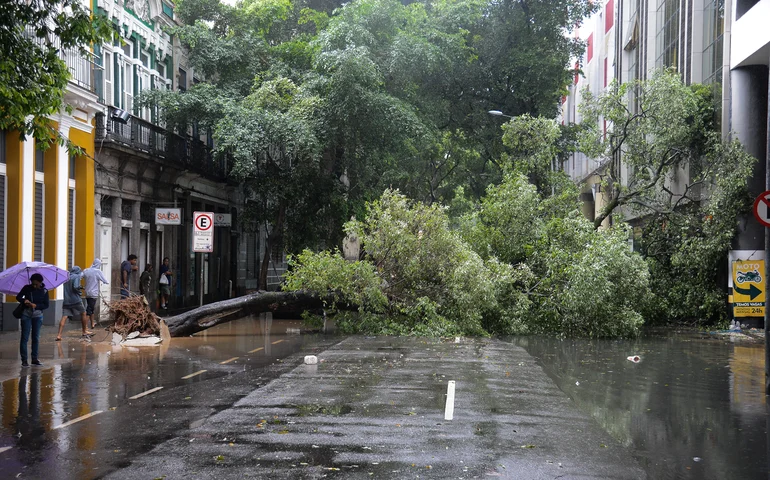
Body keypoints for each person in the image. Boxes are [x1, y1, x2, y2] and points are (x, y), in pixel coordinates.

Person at [17, 273, 49, 367]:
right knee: (24, 337)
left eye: (36, 284)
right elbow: (19, 296)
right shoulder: (27, 288)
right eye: (33, 283)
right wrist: (24, 300)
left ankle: (34, 359)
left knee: (35, 337)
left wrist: (37, 306)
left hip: (38, 316)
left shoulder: (44, 291)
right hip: (26, 314)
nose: (34, 286)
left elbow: (46, 305)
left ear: (40, 282)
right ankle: (24, 360)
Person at [57, 266, 92, 341]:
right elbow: (76, 286)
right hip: (75, 300)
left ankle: (59, 335)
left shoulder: (66, 278)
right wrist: (80, 290)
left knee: (64, 316)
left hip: (66, 300)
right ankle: (84, 331)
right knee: (83, 313)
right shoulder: (76, 276)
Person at [83, 258, 109, 329]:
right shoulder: (97, 272)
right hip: (93, 293)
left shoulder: (86, 270)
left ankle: (92, 324)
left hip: (87, 292)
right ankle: (85, 327)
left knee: (92, 309)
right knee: (89, 310)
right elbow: (106, 281)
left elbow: (81, 276)